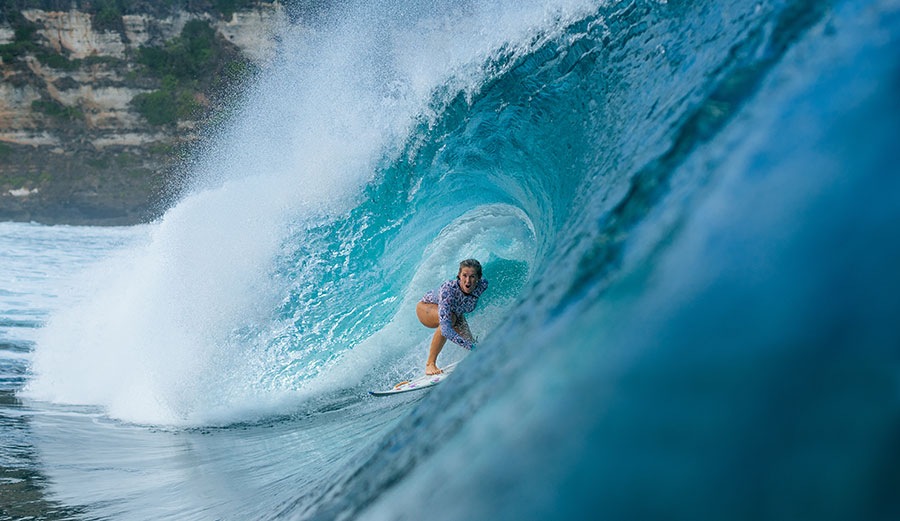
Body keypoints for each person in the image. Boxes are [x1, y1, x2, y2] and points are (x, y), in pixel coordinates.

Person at [416, 258, 489, 375]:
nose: (468, 281)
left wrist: (473, 347)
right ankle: (430, 364)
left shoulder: (482, 285)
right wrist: (472, 347)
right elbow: (446, 330)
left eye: (472, 276)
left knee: (469, 341)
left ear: (478, 278)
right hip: (426, 309)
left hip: (455, 313)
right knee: (450, 320)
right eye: (464, 275)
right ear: (459, 276)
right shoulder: (448, 291)